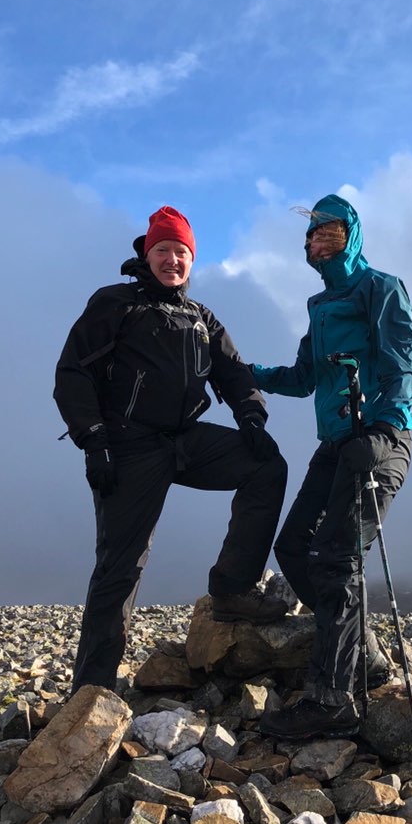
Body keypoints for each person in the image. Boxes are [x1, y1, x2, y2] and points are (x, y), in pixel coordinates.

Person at [54, 205, 288, 694]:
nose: (173, 259)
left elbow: (234, 372)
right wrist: (93, 440)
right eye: (163, 249)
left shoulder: (201, 317)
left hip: (185, 439)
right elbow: (72, 372)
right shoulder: (116, 303)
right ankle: (92, 691)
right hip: (128, 444)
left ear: (191, 260)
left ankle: (231, 588)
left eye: (182, 252)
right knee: (122, 564)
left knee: (267, 466)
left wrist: (252, 418)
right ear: (147, 252)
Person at [252, 194, 412, 740]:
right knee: (295, 547)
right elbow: (303, 379)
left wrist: (381, 426)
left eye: (331, 231)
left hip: (379, 439)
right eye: (313, 235)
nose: (320, 240)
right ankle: (363, 657)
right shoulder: (318, 308)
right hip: (335, 445)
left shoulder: (381, 288)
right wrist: (243, 372)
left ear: (352, 234)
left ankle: (331, 700)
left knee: (337, 556)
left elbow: (402, 367)